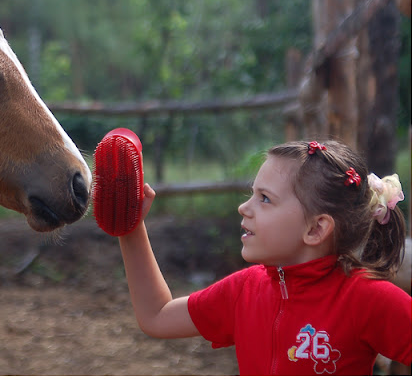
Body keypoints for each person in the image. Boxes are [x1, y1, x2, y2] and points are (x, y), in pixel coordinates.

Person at [117, 140, 411, 375]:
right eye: (252, 194)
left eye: (265, 198)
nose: (244, 208)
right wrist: (130, 228)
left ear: (316, 229)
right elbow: (157, 316)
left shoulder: (368, 299)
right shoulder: (243, 290)